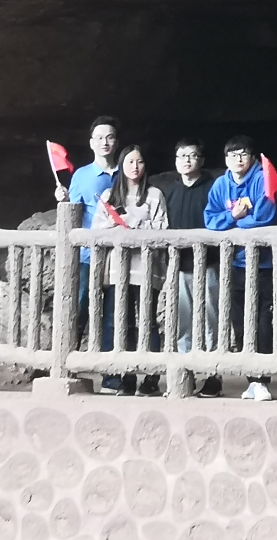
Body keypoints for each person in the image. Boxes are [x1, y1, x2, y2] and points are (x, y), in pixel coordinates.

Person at [203, 135, 277, 400]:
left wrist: (232, 224)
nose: (238, 159)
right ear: (226, 159)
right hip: (234, 263)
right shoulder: (220, 184)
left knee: (262, 320)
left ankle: (263, 379)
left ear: (252, 157)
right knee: (239, 319)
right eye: (233, 155)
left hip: (263, 263)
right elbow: (210, 220)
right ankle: (251, 379)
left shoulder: (261, 178)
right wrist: (233, 216)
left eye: (243, 153)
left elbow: (265, 217)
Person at [97, 144, 169, 394]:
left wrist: (136, 223)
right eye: (129, 162)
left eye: (139, 162)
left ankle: (151, 378)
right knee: (116, 322)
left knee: (147, 321)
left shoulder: (154, 195)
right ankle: (118, 377)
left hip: (147, 269)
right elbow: (96, 230)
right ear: (121, 165)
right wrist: (114, 225)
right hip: (118, 269)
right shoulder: (109, 196)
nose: (135, 167)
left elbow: (163, 229)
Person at [159, 139, 221, 396]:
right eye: (181, 156)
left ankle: (213, 374)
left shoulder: (212, 187)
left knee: (211, 319)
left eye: (192, 155)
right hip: (179, 266)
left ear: (201, 160)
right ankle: (185, 374)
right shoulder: (170, 191)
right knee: (182, 320)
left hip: (209, 263)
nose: (186, 160)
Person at [56, 116, 118, 343]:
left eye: (109, 137)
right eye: (99, 138)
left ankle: (110, 361)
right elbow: (73, 212)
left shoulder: (126, 172)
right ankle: (68, 353)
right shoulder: (81, 176)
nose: (104, 142)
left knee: (114, 312)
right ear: (91, 143)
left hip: (118, 254)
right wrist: (63, 200)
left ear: (117, 142)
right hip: (87, 254)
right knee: (80, 305)